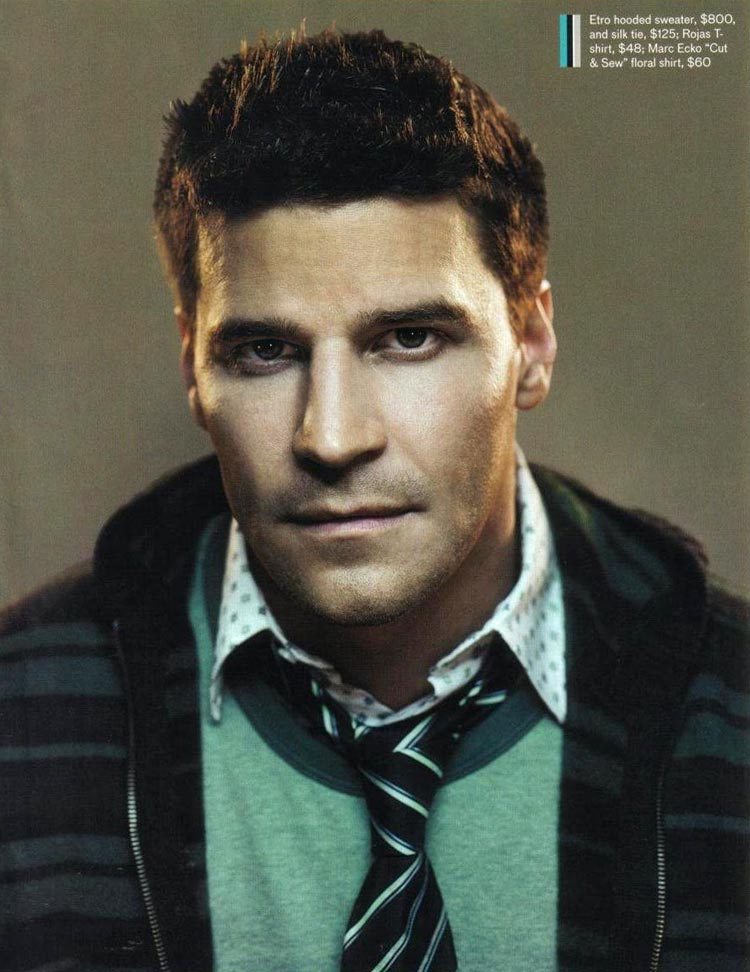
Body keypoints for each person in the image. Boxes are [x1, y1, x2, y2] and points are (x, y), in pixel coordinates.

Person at [1, 27, 747, 972]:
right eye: (264, 351)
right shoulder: (23, 714)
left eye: (408, 338)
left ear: (531, 344)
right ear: (192, 367)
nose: (331, 437)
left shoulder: (730, 708)